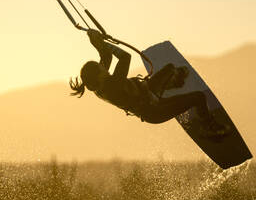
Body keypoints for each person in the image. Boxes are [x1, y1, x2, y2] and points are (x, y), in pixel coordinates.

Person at [69, 29, 231, 138]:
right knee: (198, 97)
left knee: (170, 68)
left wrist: (95, 40)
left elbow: (106, 56)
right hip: (155, 110)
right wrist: (104, 44)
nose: (104, 67)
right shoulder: (113, 86)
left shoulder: (99, 84)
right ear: (99, 76)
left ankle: (172, 82)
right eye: (101, 68)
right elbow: (125, 57)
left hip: (148, 91)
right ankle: (208, 126)